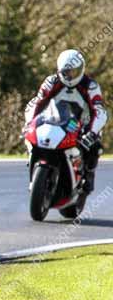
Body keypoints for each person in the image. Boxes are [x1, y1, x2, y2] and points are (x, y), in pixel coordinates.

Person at [25, 49, 107, 193]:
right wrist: (29, 122)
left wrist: (92, 133)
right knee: (32, 137)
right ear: (59, 70)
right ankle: (34, 161)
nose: (70, 76)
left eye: (74, 72)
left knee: (95, 146)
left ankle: (88, 175)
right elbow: (36, 103)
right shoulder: (52, 81)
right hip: (55, 120)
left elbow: (100, 112)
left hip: (80, 124)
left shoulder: (90, 86)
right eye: (66, 72)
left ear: (82, 69)